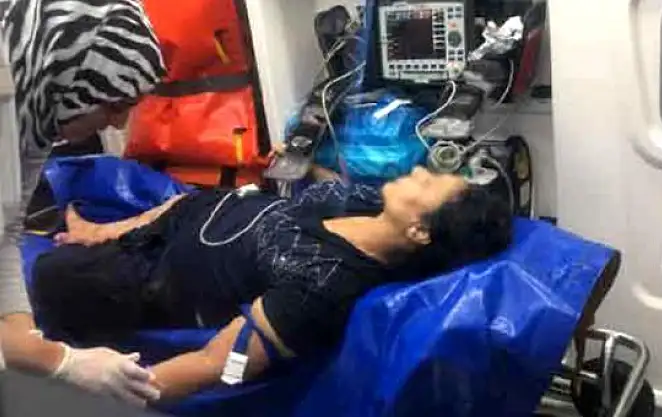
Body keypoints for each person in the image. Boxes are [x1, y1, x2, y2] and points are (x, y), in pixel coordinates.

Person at [30, 167, 512, 401]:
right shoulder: (369, 203)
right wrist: (303, 161)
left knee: (49, 275)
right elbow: (321, 184)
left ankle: (95, 251)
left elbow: (217, 363)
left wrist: (109, 391)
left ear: (420, 232)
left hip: (155, 277)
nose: (420, 171)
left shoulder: (323, 285)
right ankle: (99, 233)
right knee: (171, 202)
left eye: (428, 185)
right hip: (194, 212)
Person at [0, 0, 166, 405]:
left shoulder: (32, 120)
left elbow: (7, 234)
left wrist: (26, 339)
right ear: (68, 72)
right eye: (115, 105)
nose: (119, 123)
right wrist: (62, 361)